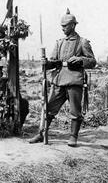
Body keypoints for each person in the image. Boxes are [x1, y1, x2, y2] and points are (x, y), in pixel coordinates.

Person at [29, 8, 96, 147]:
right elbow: (53, 61)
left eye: (65, 26)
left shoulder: (82, 42)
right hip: (59, 81)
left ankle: (73, 137)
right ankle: (42, 133)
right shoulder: (59, 42)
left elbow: (92, 61)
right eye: (62, 26)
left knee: (75, 111)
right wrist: (46, 63)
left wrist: (81, 60)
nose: (63, 29)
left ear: (73, 25)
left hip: (74, 81)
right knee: (49, 108)